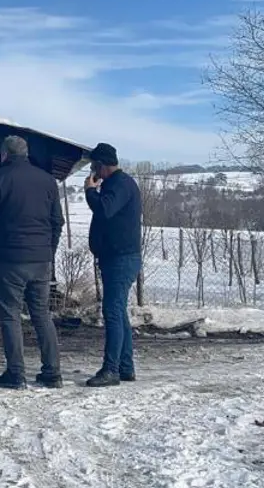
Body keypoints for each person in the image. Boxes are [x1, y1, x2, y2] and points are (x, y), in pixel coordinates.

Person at [0, 136, 65, 390]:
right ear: (26, 153)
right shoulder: (47, 180)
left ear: (4, 154)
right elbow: (57, 222)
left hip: (9, 259)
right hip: (40, 259)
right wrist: (48, 250)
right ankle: (52, 372)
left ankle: (16, 373)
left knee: (10, 316)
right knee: (41, 314)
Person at [84, 142, 143, 388]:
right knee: (118, 312)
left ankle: (111, 370)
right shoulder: (117, 184)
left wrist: (89, 191)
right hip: (117, 257)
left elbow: (105, 210)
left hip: (121, 258)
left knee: (112, 312)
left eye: (94, 166)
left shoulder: (119, 185)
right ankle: (125, 367)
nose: (92, 171)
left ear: (102, 165)